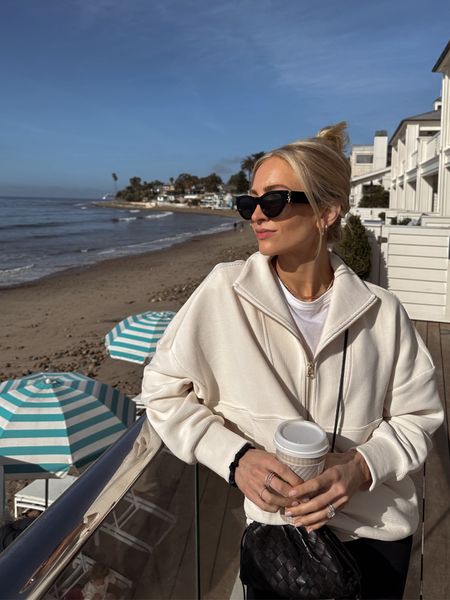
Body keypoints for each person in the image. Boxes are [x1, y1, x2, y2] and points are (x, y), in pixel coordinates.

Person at [141, 122, 443, 599]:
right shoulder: (224, 293)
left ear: (327, 211)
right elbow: (161, 388)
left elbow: (419, 415)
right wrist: (234, 458)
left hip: (377, 537)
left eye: (275, 200)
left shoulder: (383, 313)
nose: (256, 214)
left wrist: (362, 466)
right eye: (249, 202)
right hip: (277, 543)